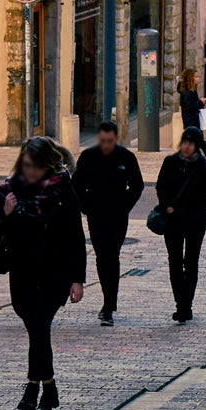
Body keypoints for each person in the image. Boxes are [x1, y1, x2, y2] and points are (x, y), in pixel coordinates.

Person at [0, 137, 86, 410]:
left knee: (39, 326)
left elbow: (75, 235)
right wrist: (6, 212)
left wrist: (77, 278)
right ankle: (50, 387)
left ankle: (32, 389)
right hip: (22, 271)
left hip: (54, 272)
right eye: (27, 165)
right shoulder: (11, 189)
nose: (30, 172)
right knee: (36, 329)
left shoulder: (63, 188)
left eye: (36, 167)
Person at [74, 121, 145, 326]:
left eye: (110, 141)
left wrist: (125, 205)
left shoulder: (126, 157)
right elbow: (76, 185)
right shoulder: (88, 157)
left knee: (111, 257)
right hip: (96, 215)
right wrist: (85, 207)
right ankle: (108, 303)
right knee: (101, 257)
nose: (106, 145)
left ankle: (109, 305)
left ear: (116, 138)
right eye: (103, 141)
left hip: (118, 216)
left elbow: (137, 185)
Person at [154, 127, 206, 323]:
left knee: (190, 263)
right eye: (184, 142)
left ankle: (187, 305)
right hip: (173, 222)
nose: (186, 147)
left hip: (195, 224)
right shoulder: (170, 162)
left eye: (191, 143)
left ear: (197, 145)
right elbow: (160, 186)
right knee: (175, 262)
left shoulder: (204, 167)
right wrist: (166, 205)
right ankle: (180, 305)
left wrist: (198, 212)